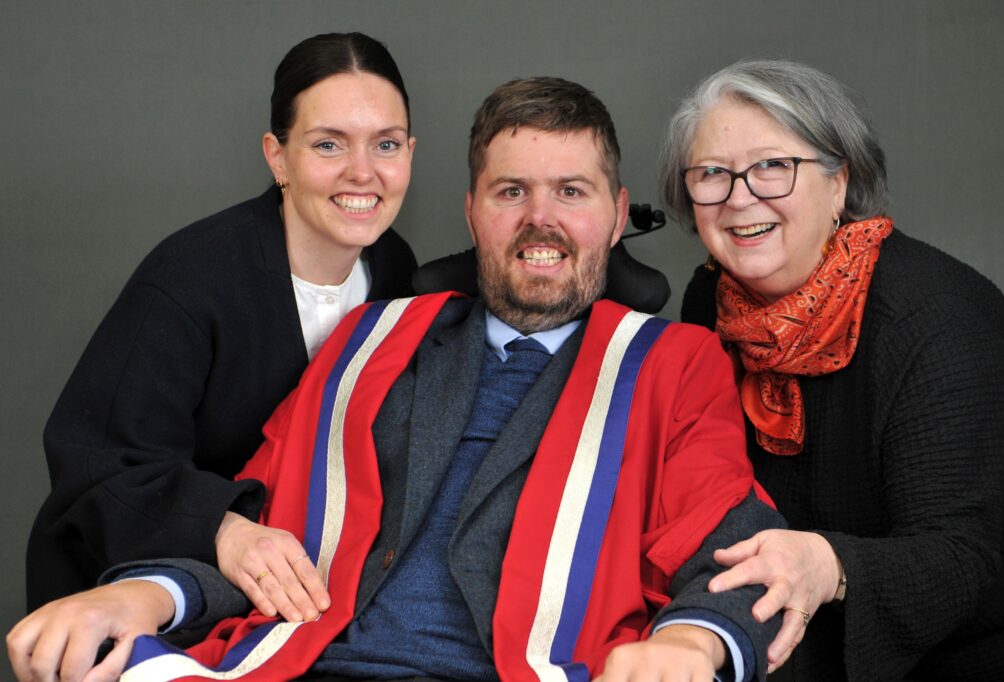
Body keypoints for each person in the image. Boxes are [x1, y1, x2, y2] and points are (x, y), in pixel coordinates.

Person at [9, 76, 785, 682]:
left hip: (522, 671)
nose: (540, 220)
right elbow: (268, 543)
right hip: (307, 664)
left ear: (617, 217)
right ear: (473, 212)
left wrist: (690, 640)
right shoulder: (373, 338)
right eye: (511, 192)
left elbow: (729, 542)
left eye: (571, 192)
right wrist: (139, 596)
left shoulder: (671, 364)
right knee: (86, 653)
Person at [25, 32, 419, 610]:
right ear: (277, 156)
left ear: (411, 151)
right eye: (329, 145)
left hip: (291, 586)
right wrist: (225, 528)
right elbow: (97, 467)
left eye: (385, 145)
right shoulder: (188, 280)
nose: (363, 173)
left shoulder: (395, 270)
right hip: (145, 584)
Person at [661, 59, 1004, 680]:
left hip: (962, 653)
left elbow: (959, 557)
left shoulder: (936, 319)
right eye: (712, 174)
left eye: (774, 166)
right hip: (778, 635)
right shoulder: (709, 304)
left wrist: (830, 565)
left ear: (838, 185)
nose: (740, 197)